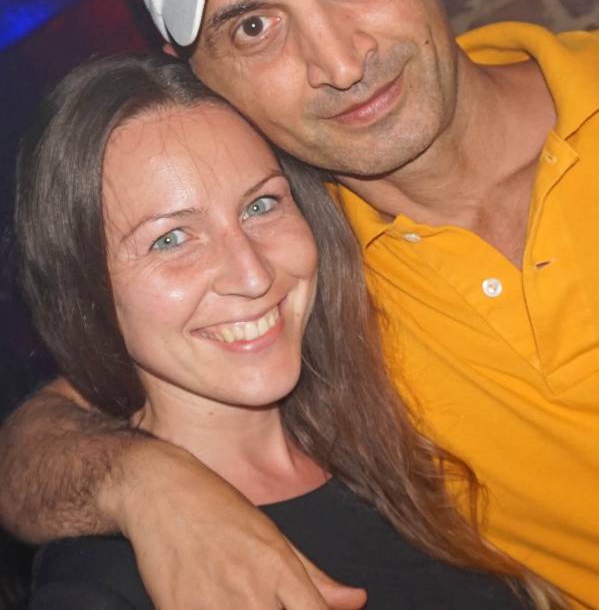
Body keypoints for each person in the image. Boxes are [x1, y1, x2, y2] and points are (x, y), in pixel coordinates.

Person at [1, 0, 598, 608]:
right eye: (254, 27)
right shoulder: (296, 278)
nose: (340, 62)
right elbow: (43, 437)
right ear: (198, 79)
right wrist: (141, 484)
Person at [15, 52, 556, 609]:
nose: (253, 275)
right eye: (170, 239)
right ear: (84, 290)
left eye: (261, 205)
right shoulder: (107, 581)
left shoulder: (388, 428)